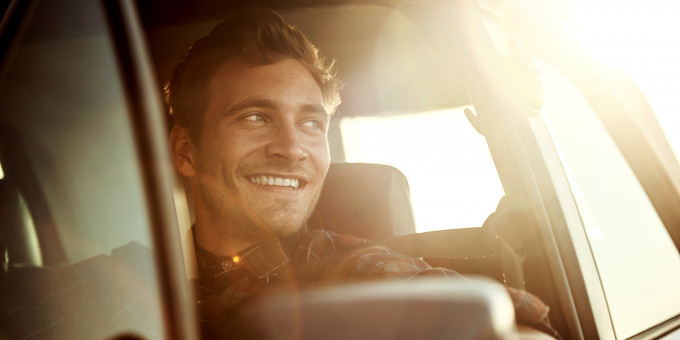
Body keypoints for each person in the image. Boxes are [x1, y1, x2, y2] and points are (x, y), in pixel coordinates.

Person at [166, 8, 559, 339]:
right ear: (186, 152)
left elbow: (518, 327)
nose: (291, 148)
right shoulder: (127, 282)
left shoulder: (351, 269)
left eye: (311, 124)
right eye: (256, 117)